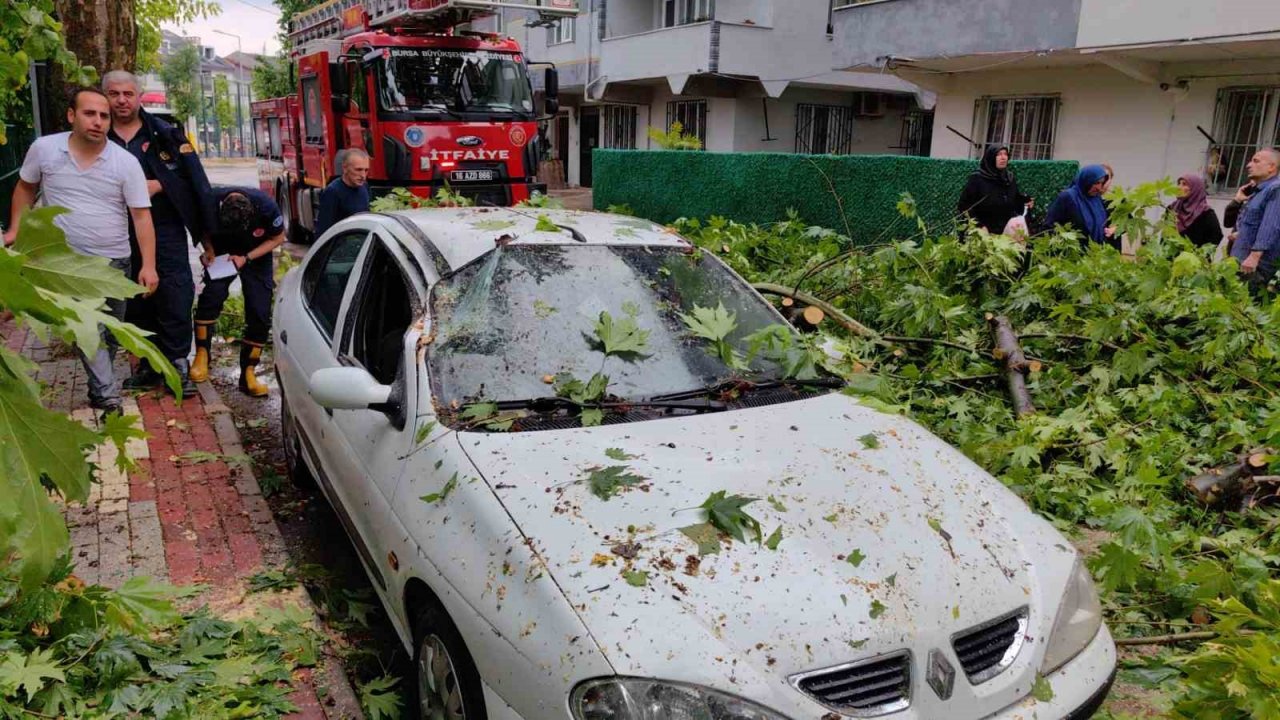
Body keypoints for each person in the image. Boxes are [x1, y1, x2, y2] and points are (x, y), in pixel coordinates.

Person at [6, 88, 159, 418]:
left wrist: (149, 265)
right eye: (90, 114)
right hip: (67, 263)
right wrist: (17, 228)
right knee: (87, 330)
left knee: (111, 334)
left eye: (104, 116)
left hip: (114, 262)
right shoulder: (45, 150)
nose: (99, 121)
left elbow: (141, 216)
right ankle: (109, 399)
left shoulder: (125, 163)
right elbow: (25, 187)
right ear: (71, 116)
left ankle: (97, 388)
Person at [104, 70, 211, 397]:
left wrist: (160, 185)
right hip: (116, 231)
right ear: (105, 97)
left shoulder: (165, 135)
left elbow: (196, 185)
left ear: (139, 96)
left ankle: (177, 362)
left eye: (128, 94)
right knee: (133, 297)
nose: (122, 100)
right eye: (114, 94)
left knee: (174, 293)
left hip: (165, 229)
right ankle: (149, 364)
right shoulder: (95, 138)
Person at [189, 187, 286, 397]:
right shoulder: (208, 202)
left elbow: (278, 238)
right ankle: (202, 355)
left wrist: (246, 258)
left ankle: (248, 372)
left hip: (256, 254)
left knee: (259, 311)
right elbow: (201, 231)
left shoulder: (267, 207)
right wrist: (209, 250)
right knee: (210, 298)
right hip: (222, 253)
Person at [1228, 148, 1280, 292]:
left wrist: (1254, 256)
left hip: (1254, 267)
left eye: (1255, 161)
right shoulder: (1259, 192)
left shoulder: (1275, 189)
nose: (1248, 165)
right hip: (1242, 261)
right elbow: (1255, 223)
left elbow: (1271, 226)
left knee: (1245, 307)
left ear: (1271, 167)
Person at [957, 145, 1032, 234]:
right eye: (999, 154)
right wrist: (979, 226)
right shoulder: (978, 178)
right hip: (981, 231)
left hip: (1004, 232)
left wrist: (1025, 202)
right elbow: (965, 206)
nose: (1003, 158)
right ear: (991, 157)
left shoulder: (1009, 179)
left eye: (1005, 154)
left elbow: (1014, 203)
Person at [1044, 165, 1118, 249]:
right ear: (1086, 180)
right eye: (1096, 183)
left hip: (1094, 253)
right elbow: (1049, 225)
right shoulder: (1068, 197)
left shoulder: (1096, 200)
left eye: (1102, 183)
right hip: (1071, 253)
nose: (1099, 187)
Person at [314, 148, 370, 237]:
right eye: (358, 170)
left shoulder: (364, 187)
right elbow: (323, 230)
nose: (363, 175)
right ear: (345, 168)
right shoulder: (333, 192)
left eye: (366, 170)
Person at [1168, 173, 1223, 247]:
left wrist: (1200, 253)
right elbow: (1165, 234)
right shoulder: (1172, 209)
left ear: (1195, 188)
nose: (1179, 187)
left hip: (1192, 257)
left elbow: (1216, 237)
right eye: (1179, 184)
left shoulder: (1205, 213)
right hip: (1169, 256)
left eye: (1184, 184)